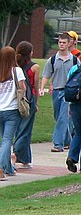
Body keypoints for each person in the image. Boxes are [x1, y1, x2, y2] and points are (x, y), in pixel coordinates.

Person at [40, 32, 78, 152]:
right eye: (60, 42)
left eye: (64, 43)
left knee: (63, 117)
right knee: (58, 117)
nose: (61, 45)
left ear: (68, 44)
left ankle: (58, 144)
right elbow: (46, 75)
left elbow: (80, 75)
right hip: (56, 91)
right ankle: (68, 141)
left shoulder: (74, 60)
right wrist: (42, 88)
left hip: (69, 92)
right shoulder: (52, 60)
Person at [12, 41, 41, 170]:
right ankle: (15, 153)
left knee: (20, 128)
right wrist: (36, 103)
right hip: (28, 100)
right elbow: (35, 86)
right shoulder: (34, 67)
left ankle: (25, 160)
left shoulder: (14, 66)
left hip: (15, 100)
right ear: (30, 53)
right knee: (26, 130)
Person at [0, 46, 28, 180]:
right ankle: (1, 168)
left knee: (3, 140)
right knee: (7, 140)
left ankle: (8, 168)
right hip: (12, 110)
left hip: (0, 110)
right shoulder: (17, 71)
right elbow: (23, 88)